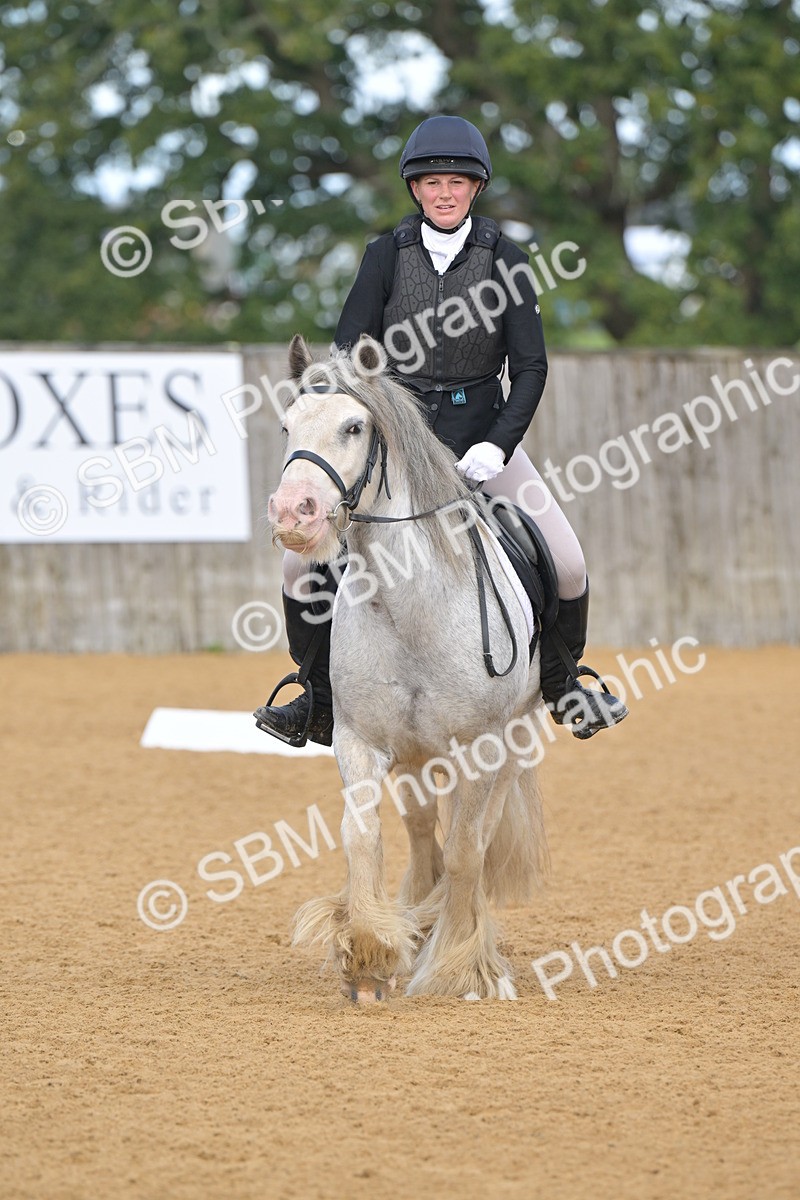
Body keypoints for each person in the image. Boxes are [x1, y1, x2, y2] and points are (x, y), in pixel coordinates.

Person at [255, 115, 628, 746]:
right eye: (432, 182)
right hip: (394, 448)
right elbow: (349, 355)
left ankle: (564, 683)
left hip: (480, 436)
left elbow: (530, 368)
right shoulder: (384, 256)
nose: (445, 193)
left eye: (457, 182)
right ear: (416, 189)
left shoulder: (506, 259)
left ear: (476, 188)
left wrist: (497, 445)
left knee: (568, 563)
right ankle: (314, 696)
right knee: (298, 570)